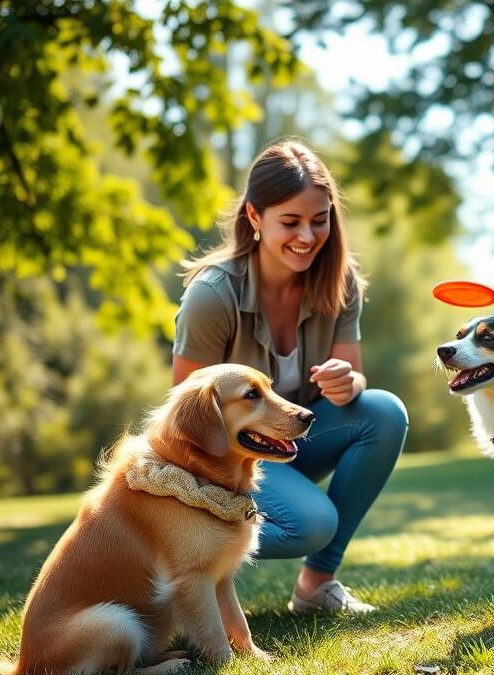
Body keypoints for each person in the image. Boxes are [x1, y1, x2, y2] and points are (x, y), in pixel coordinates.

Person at [173, 140, 408, 613]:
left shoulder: (338, 282)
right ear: (255, 217)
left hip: (290, 441)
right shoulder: (213, 296)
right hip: (221, 462)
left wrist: (349, 381)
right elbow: (183, 417)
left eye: (319, 220)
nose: (308, 235)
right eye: (291, 221)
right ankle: (180, 562)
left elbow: (355, 384)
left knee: (384, 411)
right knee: (312, 523)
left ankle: (315, 587)